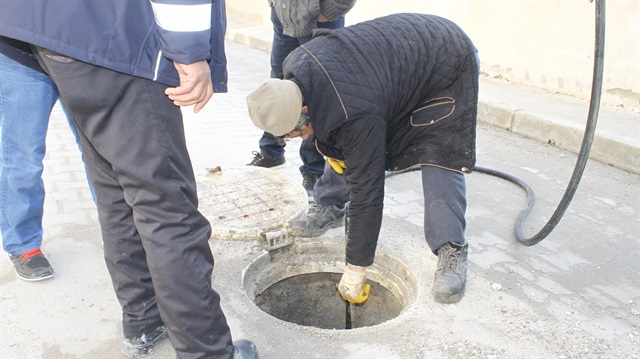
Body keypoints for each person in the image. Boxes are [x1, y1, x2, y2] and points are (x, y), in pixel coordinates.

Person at [1, 1, 258, 358]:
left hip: (48, 28)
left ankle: (144, 322)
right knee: (167, 208)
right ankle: (208, 351)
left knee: (115, 189)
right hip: (116, 34)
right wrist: (189, 52)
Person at [247, 13, 479, 305]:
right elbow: (337, 130)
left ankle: (451, 246)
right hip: (391, 69)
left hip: (445, 62)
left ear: (302, 106)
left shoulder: (353, 112)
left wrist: (356, 268)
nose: (302, 137)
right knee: (340, 136)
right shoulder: (295, 66)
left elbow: (367, 193)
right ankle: (330, 202)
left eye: (299, 130)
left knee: (437, 148)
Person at [0, 36, 93, 282]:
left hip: (79, 49)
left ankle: (122, 233)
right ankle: (23, 244)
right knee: (23, 154)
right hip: (18, 52)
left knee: (98, 150)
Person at [248, 0, 356, 200]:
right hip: (284, 14)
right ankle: (271, 152)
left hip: (318, 18)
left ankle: (313, 169)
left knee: (317, 92)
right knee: (278, 85)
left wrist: (331, 10)